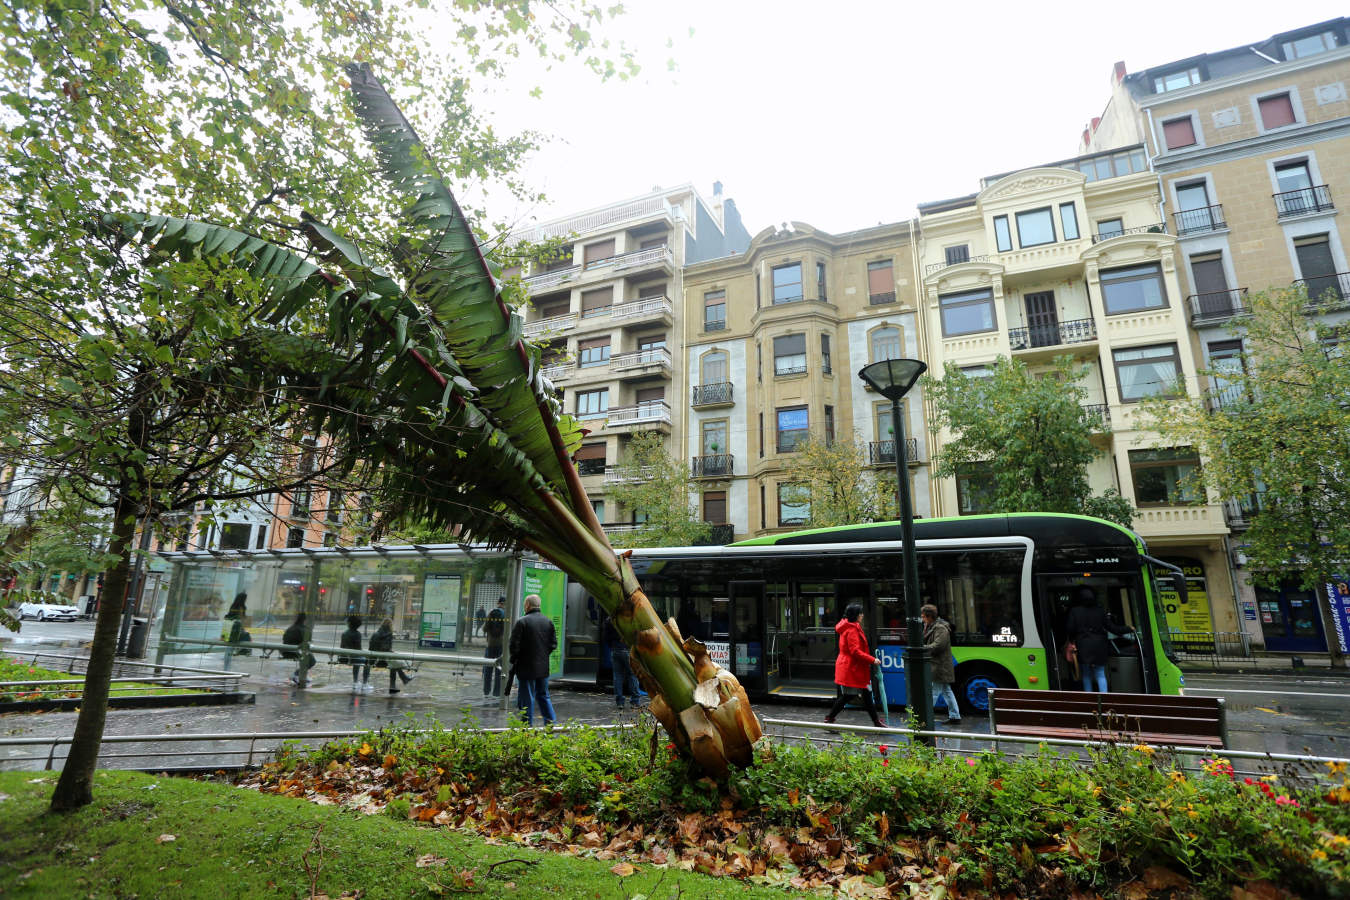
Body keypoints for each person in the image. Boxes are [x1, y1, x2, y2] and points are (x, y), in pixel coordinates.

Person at [824, 602, 885, 728]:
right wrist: (872, 660)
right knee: (848, 696)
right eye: (861, 613)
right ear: (856, 615)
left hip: (854, 668)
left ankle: (876, 722)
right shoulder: (851, 630)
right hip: (852, 668)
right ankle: (829, 718)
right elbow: (855, 651)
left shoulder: (850, 626)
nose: (862, 615)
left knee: (866, 695)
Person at [509, 593, 557, 726]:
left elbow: (514, 646)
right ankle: (551, 724)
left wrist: (515, 659)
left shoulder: (522, 622)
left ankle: (526, 728)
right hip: (543, 668)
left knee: (526, 698)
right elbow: (553, 644)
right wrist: (542, 655)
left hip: (526, 668)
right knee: (543, 696)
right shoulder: (548, 622)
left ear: (528, 605)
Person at [1064, 587, 1123, 693]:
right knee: (1100, 674)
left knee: (1086, 675)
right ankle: (1104, 698)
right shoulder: (1100, 610)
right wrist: (1128, 628)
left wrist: (1072, 641)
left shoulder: (1075, 611)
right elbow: (1112, 628)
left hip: (1083, 646)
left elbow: (1070, 628)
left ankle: (1089, 698)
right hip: (1099, 646)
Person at [921, 604, 961, 725]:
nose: (922, 619)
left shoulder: (940, 628)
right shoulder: (930, 626)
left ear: (929, 616)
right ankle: (955, 716)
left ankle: (925, 717)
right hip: (937, 664)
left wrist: (922, 648)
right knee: (946, 691)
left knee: (933, 692)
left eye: (923, 616)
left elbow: (938, 645)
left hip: (940, 666)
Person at [603, 614, 641, 709]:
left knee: (617, 676)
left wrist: (612, 646)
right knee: (632, 675)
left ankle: (620, 702)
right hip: (628, 649)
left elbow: (605, 637)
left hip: (615, 650)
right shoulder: (629, 619)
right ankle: (635, 701)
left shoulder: (609, 620)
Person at [370, 617, 414, 693]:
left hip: (376, 659)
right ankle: (397, 683)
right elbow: (386, 648)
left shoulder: (377, 633)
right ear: (390, 625)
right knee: (394, 663)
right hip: (382, 660)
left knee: (393, 661)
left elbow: (373, 647)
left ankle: (401, 681)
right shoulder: (388, 634)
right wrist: (391, 651)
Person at [482, 597, 506, 697]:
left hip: (491, 645)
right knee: (499, 669)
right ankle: (496, 693)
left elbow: (484, 629)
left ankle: (486, 692)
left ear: (498, 603)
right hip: (501, 645)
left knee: (488, 668)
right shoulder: (506, 614)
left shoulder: (491, 613)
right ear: (505, 604)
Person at [281, 612, 314, 685]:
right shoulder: (304, 629)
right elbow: (307, 642)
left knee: (304, 657)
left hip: (284, 652)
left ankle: (298, 675)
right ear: (305, 620)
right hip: (295, 652)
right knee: (312, 660)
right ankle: (297, 674)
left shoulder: (290, 628)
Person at [340, 615, 369, 692]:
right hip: (353, 658)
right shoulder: (357, 634)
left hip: (343, 657)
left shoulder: (344, 633)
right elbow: (358, 650)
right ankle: (365, 683)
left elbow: (342, 647)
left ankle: (355, 682)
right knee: (368, 661)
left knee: (357, 659)